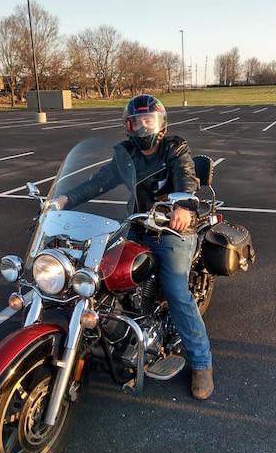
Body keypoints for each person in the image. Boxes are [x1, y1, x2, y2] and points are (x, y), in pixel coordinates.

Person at [54, 94, 214, 400]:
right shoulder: (125, 153)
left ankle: (202, 363)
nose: (141, 127)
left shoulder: (174, 147)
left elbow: (185, 176)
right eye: (135, 122)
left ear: (159, 123)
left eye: (147, 121)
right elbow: (98, 182)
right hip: (138, 224)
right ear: (128, 126)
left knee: (177, 291)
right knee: (99, 276)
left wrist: (183, 205)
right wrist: (63, 200)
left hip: (172, 229)